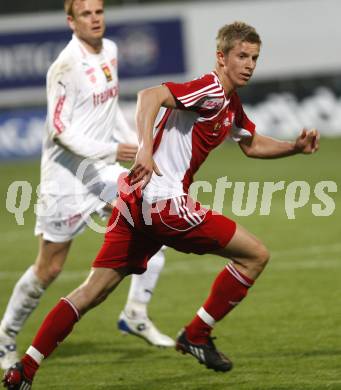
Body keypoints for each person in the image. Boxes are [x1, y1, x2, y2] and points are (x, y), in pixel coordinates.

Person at [3, 20, 319, 388]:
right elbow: (149, 95)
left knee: (92, 291)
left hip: (135, 202)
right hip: (164, 202)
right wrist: (145, 149)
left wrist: (294, 148)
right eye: (241, 56)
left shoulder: (229, 103)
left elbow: (250, 143)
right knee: (255, 256)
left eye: (254, 58)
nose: (249, 64)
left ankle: (25, 368)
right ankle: (196, 334)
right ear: (221, 57)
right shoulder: (211, 89)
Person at [0, 0, 175, 372]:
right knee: (48, 269)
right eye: (86, 14)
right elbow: (60, 131)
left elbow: (108, 113)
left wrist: (139, 149)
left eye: (98, 12)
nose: (95, 19)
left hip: (101, 171)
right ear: (71, 21)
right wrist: (114, 149)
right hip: (65, 180)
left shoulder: (109, 50)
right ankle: (5, 338)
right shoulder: (64, 66)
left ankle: (135, 313)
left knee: (154, 221)